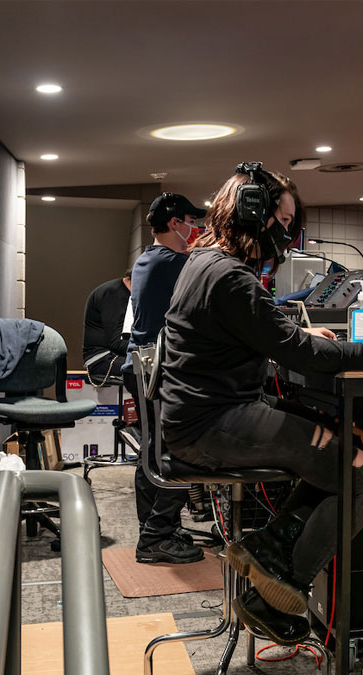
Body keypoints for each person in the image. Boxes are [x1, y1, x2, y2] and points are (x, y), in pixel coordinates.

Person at [159, 162, 363, 644]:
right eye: (282, 222)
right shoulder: (231, 277)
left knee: (344, 445)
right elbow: (300, 352)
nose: (286, 235)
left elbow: (257, 332)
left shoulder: (204, 263)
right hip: (213, 426)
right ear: (253, 213)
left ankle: (269, 548)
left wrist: (292, 331)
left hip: (198, 420)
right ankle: (277, 590)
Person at [123, 192, 208, 564]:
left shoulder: (149, 258)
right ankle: (156, 536)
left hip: (145, 367)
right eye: (194, 222)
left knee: (154, 451)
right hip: (158, 370)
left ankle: (156, 528)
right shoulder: (171, 263)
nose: (199, 230)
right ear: (177, 223)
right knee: (179, 449)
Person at [82, 270, 131, 384]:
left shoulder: (127, 294)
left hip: (114, 355)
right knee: (148, 369)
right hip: (100, 358)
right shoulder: (113, 294)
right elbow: (116, 343)